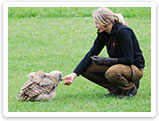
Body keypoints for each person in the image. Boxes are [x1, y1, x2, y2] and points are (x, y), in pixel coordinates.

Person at [62, 8, 145, 99]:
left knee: (112, 72)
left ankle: (130, 89)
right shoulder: (103, 33)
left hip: (135, 67)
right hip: (119, 65)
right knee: (86, 68)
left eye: (97, 23)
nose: (96, 26)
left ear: (107, 21)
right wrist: (74, 74)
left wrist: (106, 61)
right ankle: (116, 89)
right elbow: (91, 54)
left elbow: (129, 59)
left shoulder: (123, 32)